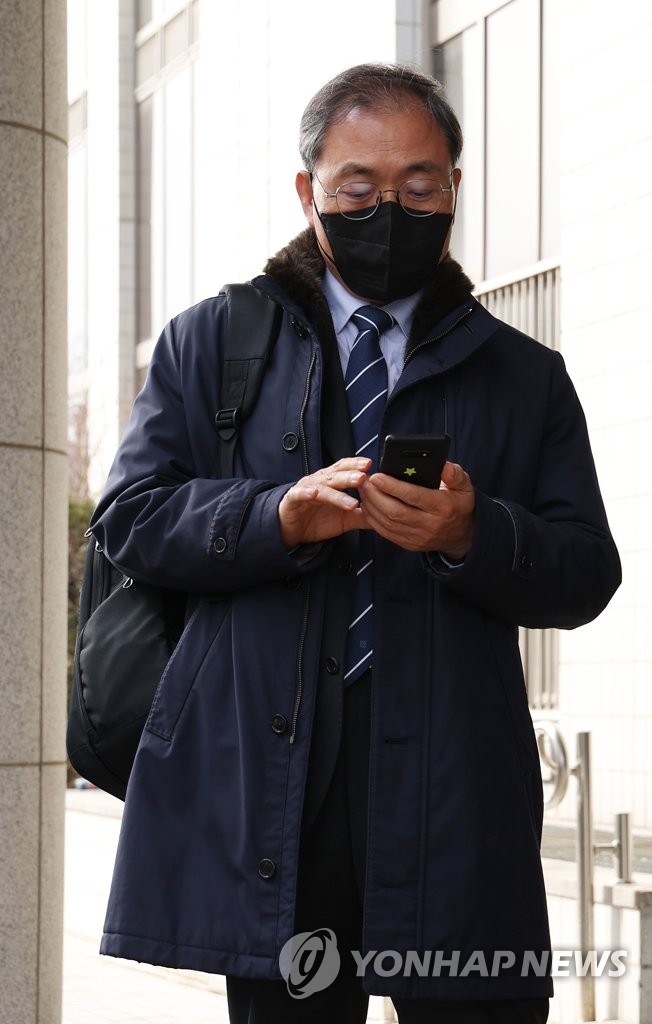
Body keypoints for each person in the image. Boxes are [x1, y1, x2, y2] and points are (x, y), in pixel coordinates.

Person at [91, 63, 621, 1023]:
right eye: (359, 190)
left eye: (419, 189)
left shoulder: (526, 376)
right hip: (278, 801)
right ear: (309, 192)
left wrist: (475, 532)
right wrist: (272, 516)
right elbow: (129, 519)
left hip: (457, 796)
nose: (391, 211)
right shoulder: (209, 341)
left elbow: (587, 572)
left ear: (455, 190)